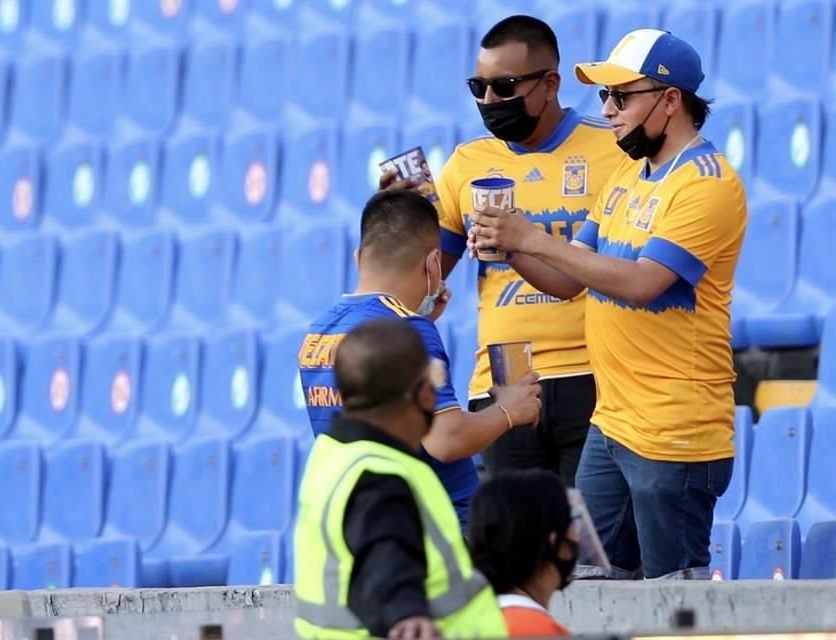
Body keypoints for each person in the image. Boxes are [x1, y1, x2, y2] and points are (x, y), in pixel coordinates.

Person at [468, 29, 745, 580]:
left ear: (671, 100)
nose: (609, 111)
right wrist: (511, 247)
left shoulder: (707, 184)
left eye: (622, 96)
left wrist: (533, 237)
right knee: (584, 584)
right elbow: (569, 278)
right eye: (604, 97)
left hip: (675, 431)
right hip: (612, 421)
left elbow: (644, 282)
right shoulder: (625, 173)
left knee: (674, 602)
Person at [382, 15, 624, 487]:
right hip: (502, 381)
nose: (489, 101)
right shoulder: (467, 163)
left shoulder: (613, 150)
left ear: (551, 83)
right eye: (479, 87)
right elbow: (423, 284)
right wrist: (398, 215)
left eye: (505, 86)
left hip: (595, 374)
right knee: (517, 551)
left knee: (591, 553)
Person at [298, 189, 542, 531]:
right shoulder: (408, 330)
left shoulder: (319, 331)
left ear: (358, 258)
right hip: (436, 529)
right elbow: (446, 440)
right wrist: (508, 411)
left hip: (365, 520)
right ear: (432, 264)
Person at [294, 318, 508, 640]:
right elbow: (386, 556)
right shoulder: (380, 477)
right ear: (423, 395)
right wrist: (407, 614)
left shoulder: (331, 454)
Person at [468, 470, 577, 637]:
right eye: (571, 524)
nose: (577, 535)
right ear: (554, 542)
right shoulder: (534, 629)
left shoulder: (469, 617)